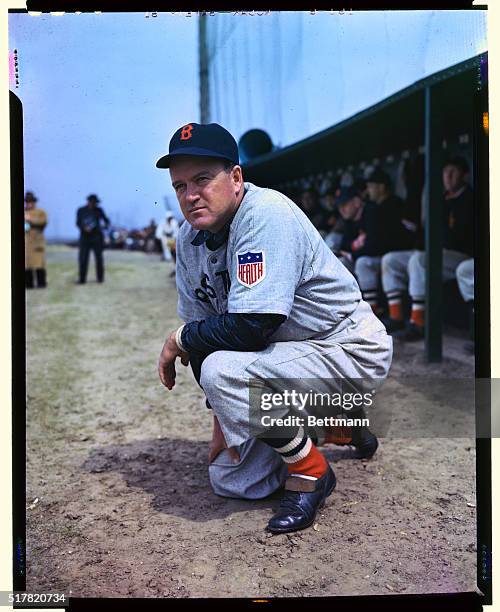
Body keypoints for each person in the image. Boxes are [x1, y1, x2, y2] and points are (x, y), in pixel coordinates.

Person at [155, 122, 393, 534]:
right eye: (179, 186)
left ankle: (312, 469)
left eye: (202, 179)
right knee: (235, 482)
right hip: (289, 356)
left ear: (235, 178)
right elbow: (203, 335)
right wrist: (222, 414)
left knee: (222, 372)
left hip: (346, 348)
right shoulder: (189, 237)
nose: (190, 195)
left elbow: (250, 328)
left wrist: (181, 342)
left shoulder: (265, 213)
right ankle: (336, 420)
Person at [383, 156, 473, 341]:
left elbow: (460, 237)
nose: (447, 177)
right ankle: (396, 316)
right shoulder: (439, 199)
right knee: (390, 260)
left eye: (453, 172)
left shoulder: (470, 198)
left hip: (461, 255)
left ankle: (418, 322)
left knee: (420, 259)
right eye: (445, 172)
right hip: (439, 253)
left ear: (464, 174)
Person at [353, 167, 416, 314]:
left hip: (400, 254)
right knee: (363, 263)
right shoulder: (373, 208)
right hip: (382, 254)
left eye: (371, 186)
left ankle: (396, 315)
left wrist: (357, 252)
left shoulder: (397, 205)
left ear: (381, 187)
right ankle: (371, 311)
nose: (368, 191)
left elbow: (389, 239)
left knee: (387, 260)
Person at [76, 194, 110, 284]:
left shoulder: (99, 210)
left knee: (99, 259)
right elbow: (78, 223)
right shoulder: (81, 210)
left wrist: (104, 226)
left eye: (95, 203)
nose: (94, 204)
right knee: (83, 259)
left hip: (96, 238)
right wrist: (84, 228)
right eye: (92, 202)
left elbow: (107, 221)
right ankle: (82, 279)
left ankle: (100, 279)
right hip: (84, 238)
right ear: (88, 202)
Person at [24, 191, 48, 289]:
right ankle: (29, 284)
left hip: (37, 242)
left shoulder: (41, 212)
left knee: (39, 264)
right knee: (27, 264)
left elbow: (43, 222)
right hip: (26, 242)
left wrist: (30, 220)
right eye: (28, 201)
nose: (29, 203)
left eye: (31, 201)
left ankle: (41, 283)